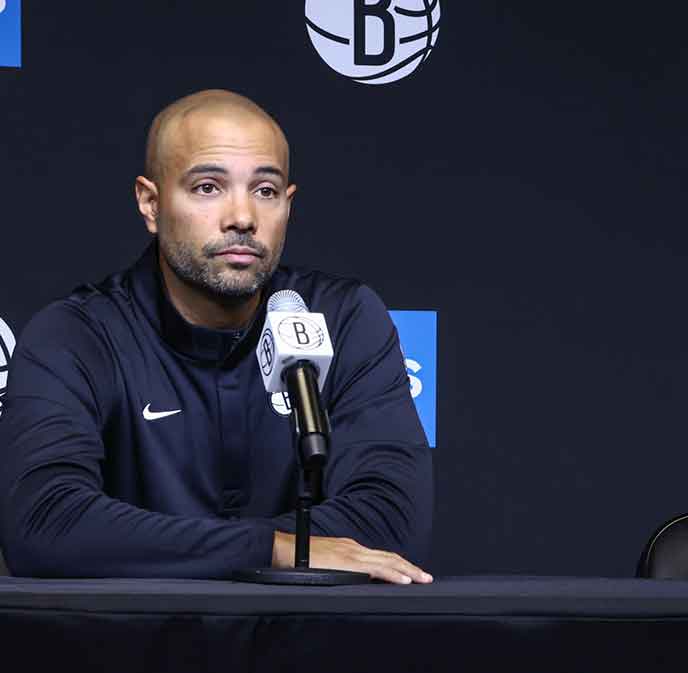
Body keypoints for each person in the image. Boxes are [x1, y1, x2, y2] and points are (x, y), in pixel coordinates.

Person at [0, 90, 433, 584]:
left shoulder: (344, 318)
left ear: (287, 205)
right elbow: (44, 523)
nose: (243, 217)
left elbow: (392, 520)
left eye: (265, 191)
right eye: (208, 187)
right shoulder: (75, 335)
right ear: (150, 203)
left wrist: (166, 547)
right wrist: (269, 548)